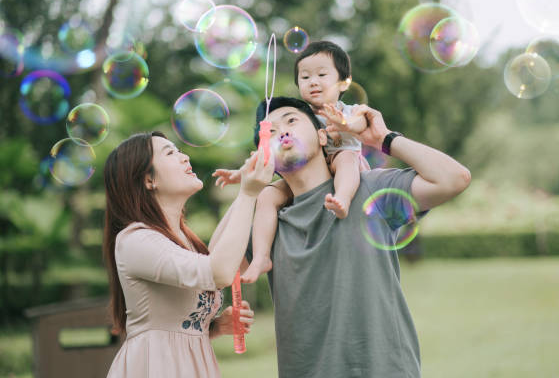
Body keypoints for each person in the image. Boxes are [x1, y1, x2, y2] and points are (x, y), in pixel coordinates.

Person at [223, 96, 471, 377]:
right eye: (270, 132)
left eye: (292, 120)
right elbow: (217, 270)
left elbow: (454, 179)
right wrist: (249, 190)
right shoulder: (265, 226)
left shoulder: (370, 189)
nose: (283, 132)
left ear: (321, 135)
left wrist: (383, 138)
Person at [102, 131, 274, 378]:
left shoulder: (183, 241)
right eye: (171, 153)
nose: (185, 157)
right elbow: (220, 271)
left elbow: (216, 261)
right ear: (149, 180)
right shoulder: (135, 240)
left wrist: (211, 327)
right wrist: (247, 193)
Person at [214, 41, 370, 283]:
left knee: (347, 160)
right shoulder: (298, 115)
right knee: (266, 196)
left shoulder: (347, 110)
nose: (313, 81)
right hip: (301, 173)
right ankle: (261, 257)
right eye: (305, 77)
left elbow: (362, 125)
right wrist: (240, 174)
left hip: (341, 157)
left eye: (321, 74)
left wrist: (345, 124)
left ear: (343, 81)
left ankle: (343, 198)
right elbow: (269, 147)